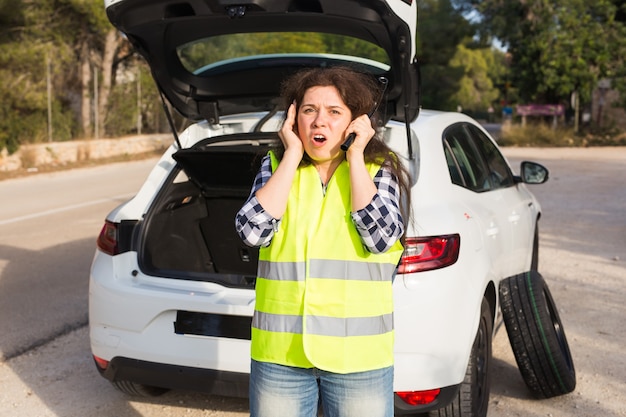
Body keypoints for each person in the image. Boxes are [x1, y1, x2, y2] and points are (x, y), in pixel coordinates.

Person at [235, 66, 411, 417]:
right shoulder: (276, 166)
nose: (319, 121)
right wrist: (290, 156)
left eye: (334, 112)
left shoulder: (378, 170)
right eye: (309, 110)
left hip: (357, 357)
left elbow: (381, 238)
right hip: (281, 354)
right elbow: (252, 231)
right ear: (293, 119)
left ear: (355, 122)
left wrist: (356, 157)